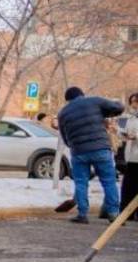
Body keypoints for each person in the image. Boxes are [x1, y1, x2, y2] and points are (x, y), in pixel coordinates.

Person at [57, 87, 123, 223]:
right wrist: (111, 111)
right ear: (82, 94)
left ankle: (82, 214)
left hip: (78, 152)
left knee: (81, 183)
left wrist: (74, 145)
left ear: (67, 100)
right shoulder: (94, 101)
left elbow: (64, 136)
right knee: (108, 181)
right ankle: (113, 214)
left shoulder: (62, 113)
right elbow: (118, 108)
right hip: (100, 149)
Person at [119, 92, 138, 221]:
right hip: (131, 156)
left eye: (136, 101)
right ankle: (127, 213)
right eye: (132, 102)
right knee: (128, 185)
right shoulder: (129, 117)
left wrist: (134, 136)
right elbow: (122, 131)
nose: (133, 104)